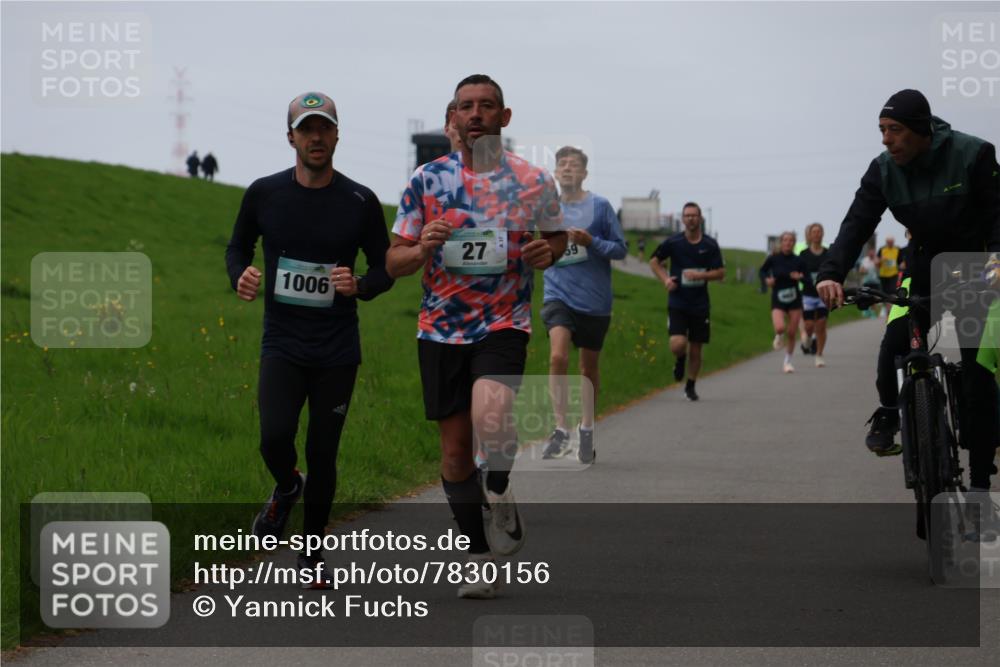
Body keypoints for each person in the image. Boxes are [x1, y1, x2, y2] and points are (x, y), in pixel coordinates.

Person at [386, 74, 565, 599]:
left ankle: (502, 485)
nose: (476, 114)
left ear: (504, 118)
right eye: (467, 106)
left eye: (487, 105)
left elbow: (557, 239)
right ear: (455, 117)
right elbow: (394, 260)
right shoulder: (426, 180)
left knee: (492, 412)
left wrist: (546, 252)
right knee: (456, 456)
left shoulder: (533, 181)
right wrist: (420, 250)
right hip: (439, 328)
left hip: (503, 321)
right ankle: (478, 560)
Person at [225, 91, 394, 586]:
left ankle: (312, 553)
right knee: (274, 437)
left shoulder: (360, 201)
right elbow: (238, 245)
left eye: (324, 128)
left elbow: (385, 266)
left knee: (324, 451)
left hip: (338, 346)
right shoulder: (264, 193)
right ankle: (285, 486)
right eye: (306, 129)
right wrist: (240, 275)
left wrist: (360, 285)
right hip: (282, 341)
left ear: (337, 135)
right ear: (291, 138)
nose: (316, 137)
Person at [816, 88, 999, 503]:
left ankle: (981, 481)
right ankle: (890, 410)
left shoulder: (973, 154)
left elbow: (997, 215)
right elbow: (856, 225)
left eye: (894, 130)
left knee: (978, 370)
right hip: (924, 267)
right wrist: (830, 273)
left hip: (976, 269)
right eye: (881, 130)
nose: (885, 139)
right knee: (895, 343)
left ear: (920, 131)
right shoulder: (883, 170)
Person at [540, 146, 626, 461]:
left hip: (594, 300)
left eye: (573, 164)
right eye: (561, 164)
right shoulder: (547, 209)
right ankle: (561, 429)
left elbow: (620, 250)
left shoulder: (600, 207)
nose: (567, 169)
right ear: (556, 172)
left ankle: (586, 428)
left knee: (588, 367)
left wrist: (592, 242)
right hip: (557, 295)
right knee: (558, 357)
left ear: (584, 173)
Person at [649, 202, 725, 400]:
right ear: (682, 219)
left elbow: (720, 273)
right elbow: (654, 261)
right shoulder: (674, 242)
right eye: (687, 215)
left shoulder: (709, 245)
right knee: (677, 344)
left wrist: (700, 276)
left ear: (700, 219)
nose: (691, 218)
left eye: (694, 215)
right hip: (678, 302)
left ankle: (690, 385)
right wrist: (665, 279)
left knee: (697, 348)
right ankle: (680, 358)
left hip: (700, 304)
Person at [759, 231, 810, 373]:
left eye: (791, 240)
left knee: (792, 332)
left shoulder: (798, 261)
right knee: (780, 327)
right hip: (778, 297)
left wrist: (800, 277)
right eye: (785, 240)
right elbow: (762, 271)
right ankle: (779, 335)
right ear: (781, 242)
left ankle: (787, 361)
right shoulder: (773, 258)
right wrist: (767, 280)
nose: (788, 243)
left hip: (794, 299)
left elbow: (808, 280)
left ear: (794, 243)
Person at [799, 223, 830, 366]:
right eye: (814, 232)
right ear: (809, 235)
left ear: (822, 234)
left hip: (823, 295)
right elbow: (799, 272)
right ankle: (808, 338)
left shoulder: (827, 253)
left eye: (819, 232)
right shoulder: (803, 254)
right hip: (808, 295)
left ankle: (819, 354)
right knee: (809, 325)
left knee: (822, 324)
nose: (817, 234)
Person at [857, 248, 880, 318]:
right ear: (868, 253)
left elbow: (879, 267)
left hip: (875, 281)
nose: (871, 254)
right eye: (870, 253)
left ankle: (873, 313)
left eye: (872, 253)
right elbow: (860, 270)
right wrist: (863, 271)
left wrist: (876, 261)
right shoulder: (864, 260)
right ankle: (867, 311)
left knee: (874, 297)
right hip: (866, 281)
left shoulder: (876, 259)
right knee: (866, 296)